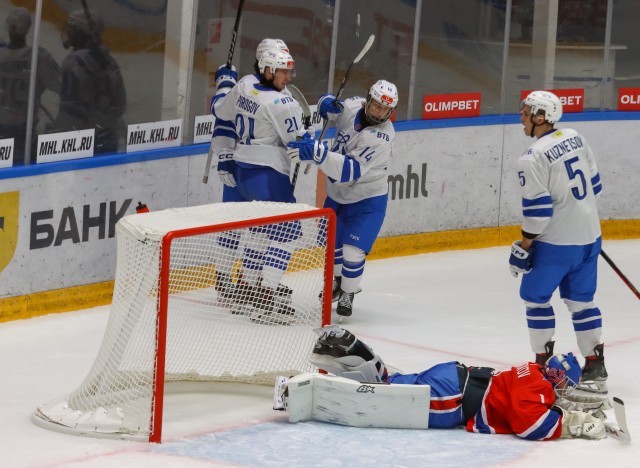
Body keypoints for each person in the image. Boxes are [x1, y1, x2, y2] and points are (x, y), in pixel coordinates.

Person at [276, 325, 608, 441]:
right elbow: (530, 424)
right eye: (565, 387)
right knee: (381, 398)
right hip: (455, 397)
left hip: (453, 376)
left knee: (391, 382)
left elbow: (535, 403)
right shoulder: (537, 388)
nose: (562, 393)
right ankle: (310, 385)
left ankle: (352, 354)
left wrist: (571, 407)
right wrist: (573, 424)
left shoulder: (530, 373)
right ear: (558, 380)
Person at [509, 90, 607, 394]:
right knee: (582, 302)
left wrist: (523, 247)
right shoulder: (575, 136)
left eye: (526, 112)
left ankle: (542, 363)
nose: (521, 117)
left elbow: (538, 215)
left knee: (535, 298)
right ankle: (595, 366)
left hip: (556, 244)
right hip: (590, 237)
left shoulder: (531, 157)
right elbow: (596, 186)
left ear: (541, 117)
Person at [210, 47, 309, 323]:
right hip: (268, 175)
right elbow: (299, 145)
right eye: (283, 72)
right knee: (288, 232)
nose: (288, 77)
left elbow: (220, 110)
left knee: (257, 231)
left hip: (242, 170)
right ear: (267, 69)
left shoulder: (243, 85)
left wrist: (224, 82)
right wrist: (316, 128)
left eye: (289, 71)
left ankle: (247, 287)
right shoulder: (282, 104)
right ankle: (266, 294)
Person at [287, 80, 398, 319]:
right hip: (337, 195)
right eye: (376, 105)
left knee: (352, 252)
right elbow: (333, 109)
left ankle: (348, 292)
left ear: (391, 112)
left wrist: (318, 154)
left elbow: (349, 172)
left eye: (384, 110)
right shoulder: (353, 106)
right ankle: (339, 280)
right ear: (368, 100)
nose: (378, 112)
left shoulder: (382, 137)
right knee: (332, 246)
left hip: (367, 200)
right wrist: (326, 104)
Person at [50, 9, 126, 154]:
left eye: (72, 29)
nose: (69, 32)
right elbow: (120, 105)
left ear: (82, 33)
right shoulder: (110, 61)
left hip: (82, 141)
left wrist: (56, 131)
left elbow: (70, 112)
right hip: (108, 138)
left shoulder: (73, 62)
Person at [0, 7, 60, 166]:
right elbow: (62, 87)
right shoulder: (39, 57)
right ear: (27, 29)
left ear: (8, 26)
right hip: (24, 130)